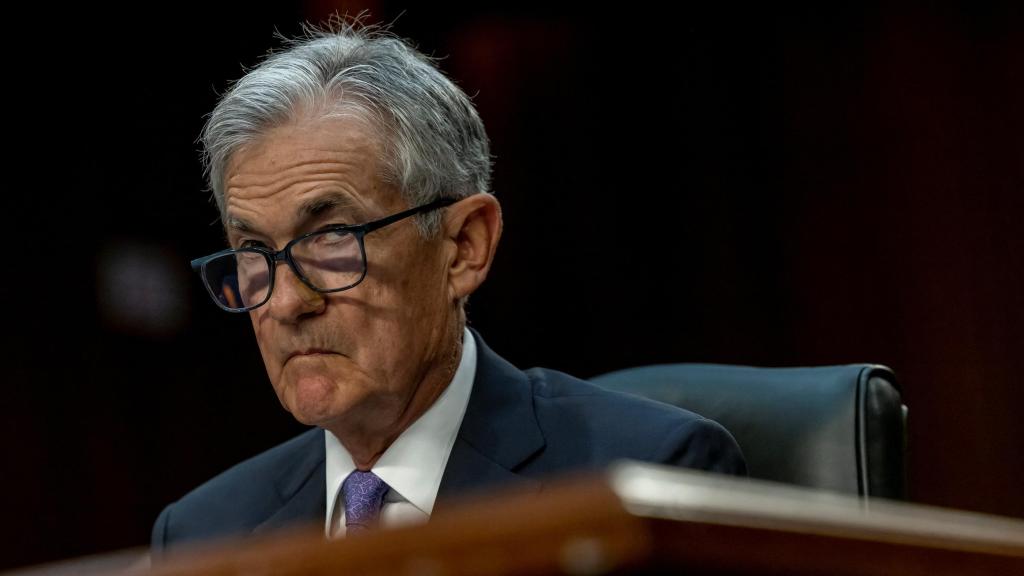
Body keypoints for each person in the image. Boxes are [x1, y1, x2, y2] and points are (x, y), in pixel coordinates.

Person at [152, 21, 745, 554]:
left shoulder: (648, 474)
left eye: (331, 237)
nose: (284, 302)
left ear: (464, 246)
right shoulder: (203, 534)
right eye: (255, 253)